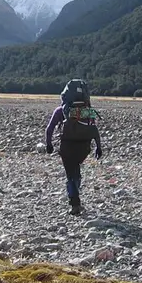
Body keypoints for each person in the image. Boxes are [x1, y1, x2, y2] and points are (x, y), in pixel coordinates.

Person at [45, 82, 103, 215]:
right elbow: (94, 129)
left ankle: (74, 203)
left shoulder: (61, 111)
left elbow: (49, 129)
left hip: (66, 146)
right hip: (83, 147)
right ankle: (76, 196)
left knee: (70, 174)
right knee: (75, 170)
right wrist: (98, 147)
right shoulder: (88, 111)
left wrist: (49, 145)